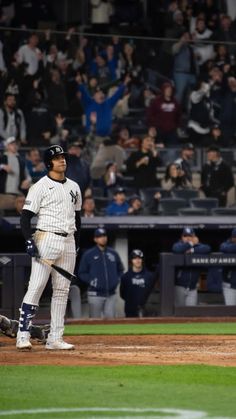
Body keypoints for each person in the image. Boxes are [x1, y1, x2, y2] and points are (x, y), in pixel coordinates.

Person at [16, 144, 82, 350]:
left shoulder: (74, 186)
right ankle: (22, 335)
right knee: (36, 287)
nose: (62, 160)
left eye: (63, 157)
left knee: (62, 291)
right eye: (57, 158)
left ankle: (55, 338)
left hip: (69, 240)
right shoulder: (39, 186)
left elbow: (78, 218)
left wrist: (77, 242)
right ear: (48, 162)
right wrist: (29, 241)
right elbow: (25, 218)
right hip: (47, 238)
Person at [78, 227, 124, 318]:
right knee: (95, 321)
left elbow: (121, 269)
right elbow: (81, 273)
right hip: (95, 294)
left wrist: (116, 280)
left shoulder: (113, 253)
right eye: (99, 236)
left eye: (104, 236)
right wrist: (92, 281)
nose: (103, 238)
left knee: (110, 321)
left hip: (111, 294)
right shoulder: (88, 254)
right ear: (95, 239)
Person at [172, 227, 211, 307]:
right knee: (179, 312)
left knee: (191, 313)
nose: (188, 238)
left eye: (190, 236)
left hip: (193, 288)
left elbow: (207, 249)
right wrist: (190, 244)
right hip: (179, 286)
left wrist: (192, 250)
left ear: (194, 237)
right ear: (182, 237)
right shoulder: (178, 245)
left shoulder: (198, 246)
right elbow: (176, 249)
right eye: (185, 236)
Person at [120, 249, 156, 317]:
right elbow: (122, 294)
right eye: (135, 258)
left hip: (146, 309)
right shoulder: (125, 277)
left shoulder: (149, 276)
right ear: (131, 260)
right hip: (130, 309)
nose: (137, 261)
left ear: (142, 260)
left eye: (139, 258)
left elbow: (152, 291)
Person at [0, 136, 31, 212]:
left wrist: (27, 180)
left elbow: (27, 175)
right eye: (12, 144)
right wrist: (3, 166)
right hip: (5, 194)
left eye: (15, 144)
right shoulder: (2, 157)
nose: (14, 146)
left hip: (18, 194)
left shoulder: (21, 160)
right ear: (7, 146)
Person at [219, 229, 236, 306]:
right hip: (230, 285)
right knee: (230, 311)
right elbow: (224, 248)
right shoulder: (226, 245)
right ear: (232, 238)